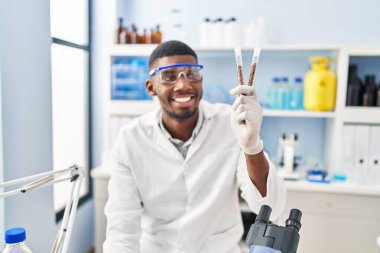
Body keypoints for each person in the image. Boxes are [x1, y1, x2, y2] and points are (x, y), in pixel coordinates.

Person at [104, 40, 286, 253]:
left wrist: (251, 145)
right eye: (169, 76)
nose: (183, 85)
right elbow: (121, 227)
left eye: (192, 74)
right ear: (151, 87)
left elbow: (271, 207)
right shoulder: (130, 138)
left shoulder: (231, 122)